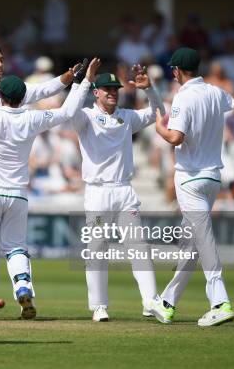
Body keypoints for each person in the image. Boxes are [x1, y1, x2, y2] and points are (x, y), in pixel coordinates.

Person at [0, 58, 99, 320]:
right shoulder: (32, 118)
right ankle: (22, 287)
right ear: (21, 98)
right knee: (15, 247)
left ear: (2, 96)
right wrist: (83, 82)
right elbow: (66, 112)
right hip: (18, 195)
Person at [68, 65, 165, 322]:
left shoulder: (126, 116)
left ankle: (150, 300)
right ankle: (99, 305)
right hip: (98, 192)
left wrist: (149, 89)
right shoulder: (85, 117)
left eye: (116, 89)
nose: (113, 93)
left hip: (124, 190)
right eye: (108, 89)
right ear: (97, 92)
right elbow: (69, 112)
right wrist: (86, 81)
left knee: (139, 247)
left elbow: (159, 113)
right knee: (97, 248)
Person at [153, 47, 234, 327]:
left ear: (176, 71)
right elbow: (231, 102)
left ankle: (220, 302)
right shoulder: (215, 92)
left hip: (189, 179)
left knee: (203, 240)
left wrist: (159, 130)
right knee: (191, 245)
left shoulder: (183, 97)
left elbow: (175, 137)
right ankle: (167, 303)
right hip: (212, 178)